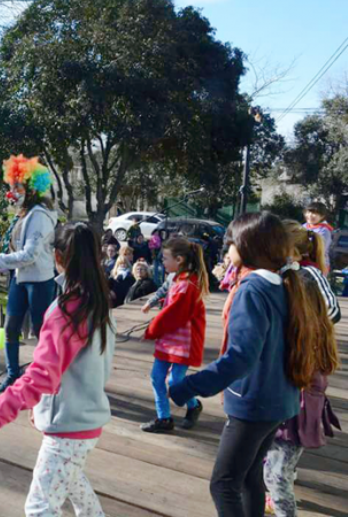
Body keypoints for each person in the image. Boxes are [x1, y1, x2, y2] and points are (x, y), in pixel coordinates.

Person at [168, 212, 316, 517]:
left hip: (254, 404)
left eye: (230, 243)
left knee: (223, 484)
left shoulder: (252, 290)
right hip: (280, 401)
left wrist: (188, 387)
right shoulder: (282, 284)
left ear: (247, 247)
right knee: (249, 477)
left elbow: (240, 357)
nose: (226, 250)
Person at [0, 222, 116, 516]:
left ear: (57, 257)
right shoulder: (98, 304)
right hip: (85, 424)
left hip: (69, 429)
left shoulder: (66, 312)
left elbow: (41, 376)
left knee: (39, 509)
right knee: (74, 485)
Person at [262, 220, 341, 517]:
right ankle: (277, 489)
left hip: (304, 373)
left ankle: (281, 495)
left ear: (290, 250)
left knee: (282, 455)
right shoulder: (278, 275)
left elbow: (332, 311)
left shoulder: (307, 274)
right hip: (288, 373)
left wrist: (302, 326)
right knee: (275, 455)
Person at [0, 155, 58, 395]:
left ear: (32, 188)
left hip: (39, 281)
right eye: (11, 186)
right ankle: (13, 375)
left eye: (18, 186)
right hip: (20, 279)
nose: (13, 192)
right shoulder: (25, 213)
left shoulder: (39, 215)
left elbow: (30, 255)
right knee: (11, 327)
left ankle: (46, 377)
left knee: (40, 331)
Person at [140, 238, 208, 433]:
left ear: (179, 260)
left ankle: (193, 405)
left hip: (182, 343)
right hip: (169, 340)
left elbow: (173, 314)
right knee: (157, 377)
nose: (162, 262)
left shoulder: (187, 284)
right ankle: (164, 418)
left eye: (165, 258)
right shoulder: (177, 279)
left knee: (175, 381)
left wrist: (152, 329)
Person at [302, 202, 333, 271]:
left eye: (314, 213)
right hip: (303, 259)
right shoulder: (304, 226)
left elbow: (319, 250)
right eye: (308, 212)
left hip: (319, 264)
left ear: (322, 216)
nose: (310, 215)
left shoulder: (324, 230)